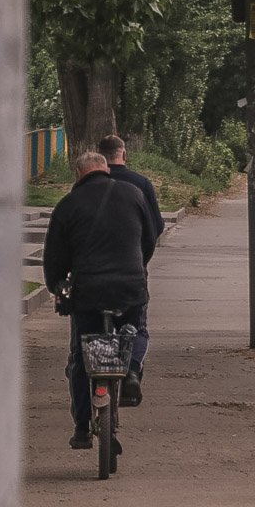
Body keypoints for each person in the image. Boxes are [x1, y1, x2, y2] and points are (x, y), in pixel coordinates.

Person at [43, 151, 157, 450]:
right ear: (105, 170)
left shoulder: (68, 205)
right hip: (130, 287)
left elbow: (54, 257)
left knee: (82, 356)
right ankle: (131, 368)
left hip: (88, 292)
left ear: (79, 175)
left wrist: (57, 285)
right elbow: (149, 238)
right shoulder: (134, 193)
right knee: (137, 331)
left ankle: (82, 428)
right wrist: (136, 267)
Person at [98, 135, 162, 405]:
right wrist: (141, 260)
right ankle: (132, 370)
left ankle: (81, 367)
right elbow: (154, 227)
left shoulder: (89, 184)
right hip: (132, 269)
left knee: (88, 327)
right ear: (123, 153)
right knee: (136, 327)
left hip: (95, 271)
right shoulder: (141, 184)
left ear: (100, 156)